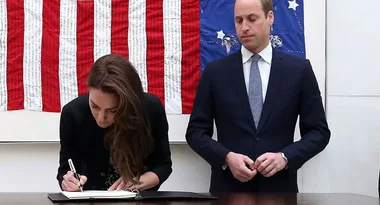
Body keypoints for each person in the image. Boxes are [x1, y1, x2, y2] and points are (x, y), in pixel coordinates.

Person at [186, 0, 330, 193]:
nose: (244, 27)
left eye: (252, 19)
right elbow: (195, 132)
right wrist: (226, 158)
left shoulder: (299, 70)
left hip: (279, 190)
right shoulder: (215, 72)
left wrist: (285, 157)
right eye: (238, 20)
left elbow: (319, 132)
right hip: (228, 190)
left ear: (270, 17)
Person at [57, 54, 172, 192]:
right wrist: (68, 182)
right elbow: (65, 169)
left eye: (113, 110)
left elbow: (163, 165)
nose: (101, 118)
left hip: (138, 199)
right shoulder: (73, 113)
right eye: (95, 106)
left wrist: (139, 182)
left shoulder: (150, 109)